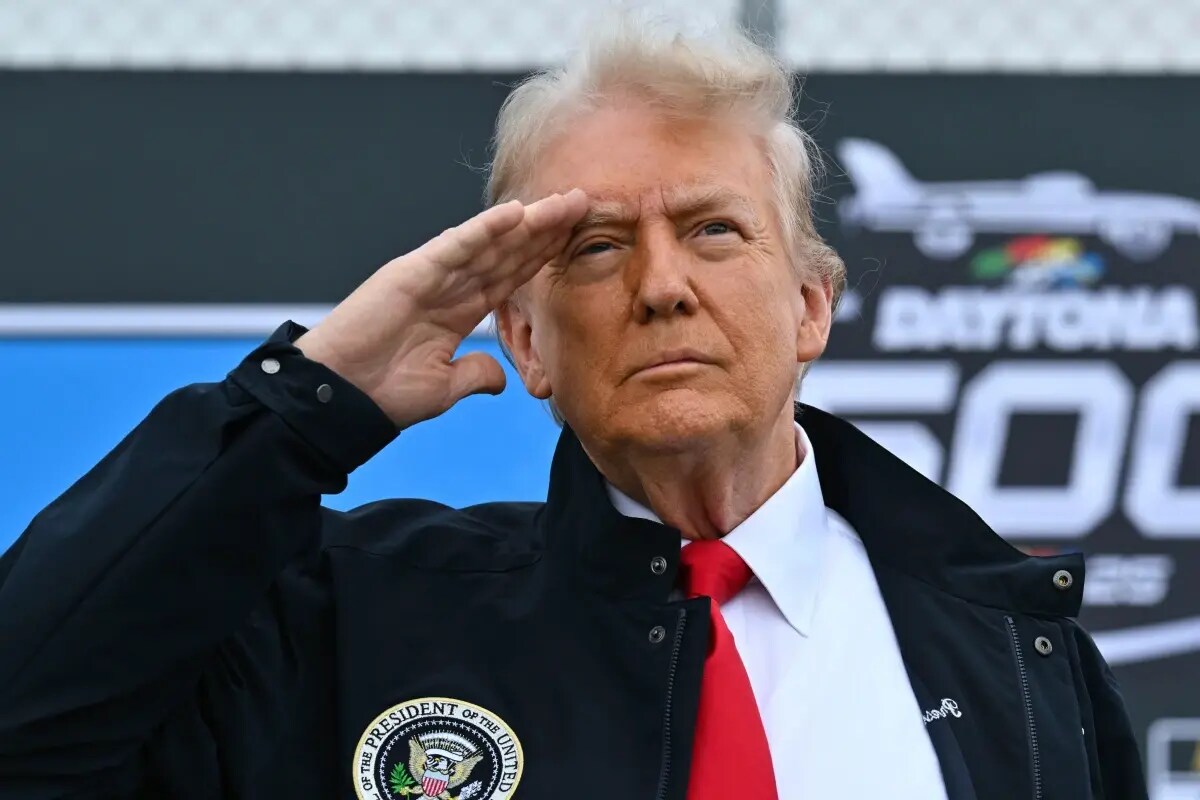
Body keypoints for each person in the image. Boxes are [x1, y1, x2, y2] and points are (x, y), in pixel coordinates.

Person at [0, 17, 1145, 800]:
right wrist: (310, 399)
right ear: (528, 341)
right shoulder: (359, 618)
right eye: (595, 246)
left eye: (713, 229)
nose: (659, 285)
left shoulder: (1013, 647)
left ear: (810, 306)